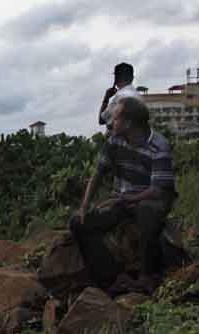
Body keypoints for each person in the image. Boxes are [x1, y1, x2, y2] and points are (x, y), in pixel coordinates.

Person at [72, 96, 176, 292]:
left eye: (116, 118)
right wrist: (84, 206)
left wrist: (125, 199)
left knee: (147, 213)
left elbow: (157, 190)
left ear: (128, 123)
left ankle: (147, 277)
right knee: (79, 222)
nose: (111, 122)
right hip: (124, 201)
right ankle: (111, 278)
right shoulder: (115, 141)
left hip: (152, 199)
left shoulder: (159, 145)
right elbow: (98, 173)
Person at [99, 62, 142, 128]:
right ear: (132, 78)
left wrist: (106, 99)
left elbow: (101, 120)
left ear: (116, 79)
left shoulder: (119, 97)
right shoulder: (138, 96)